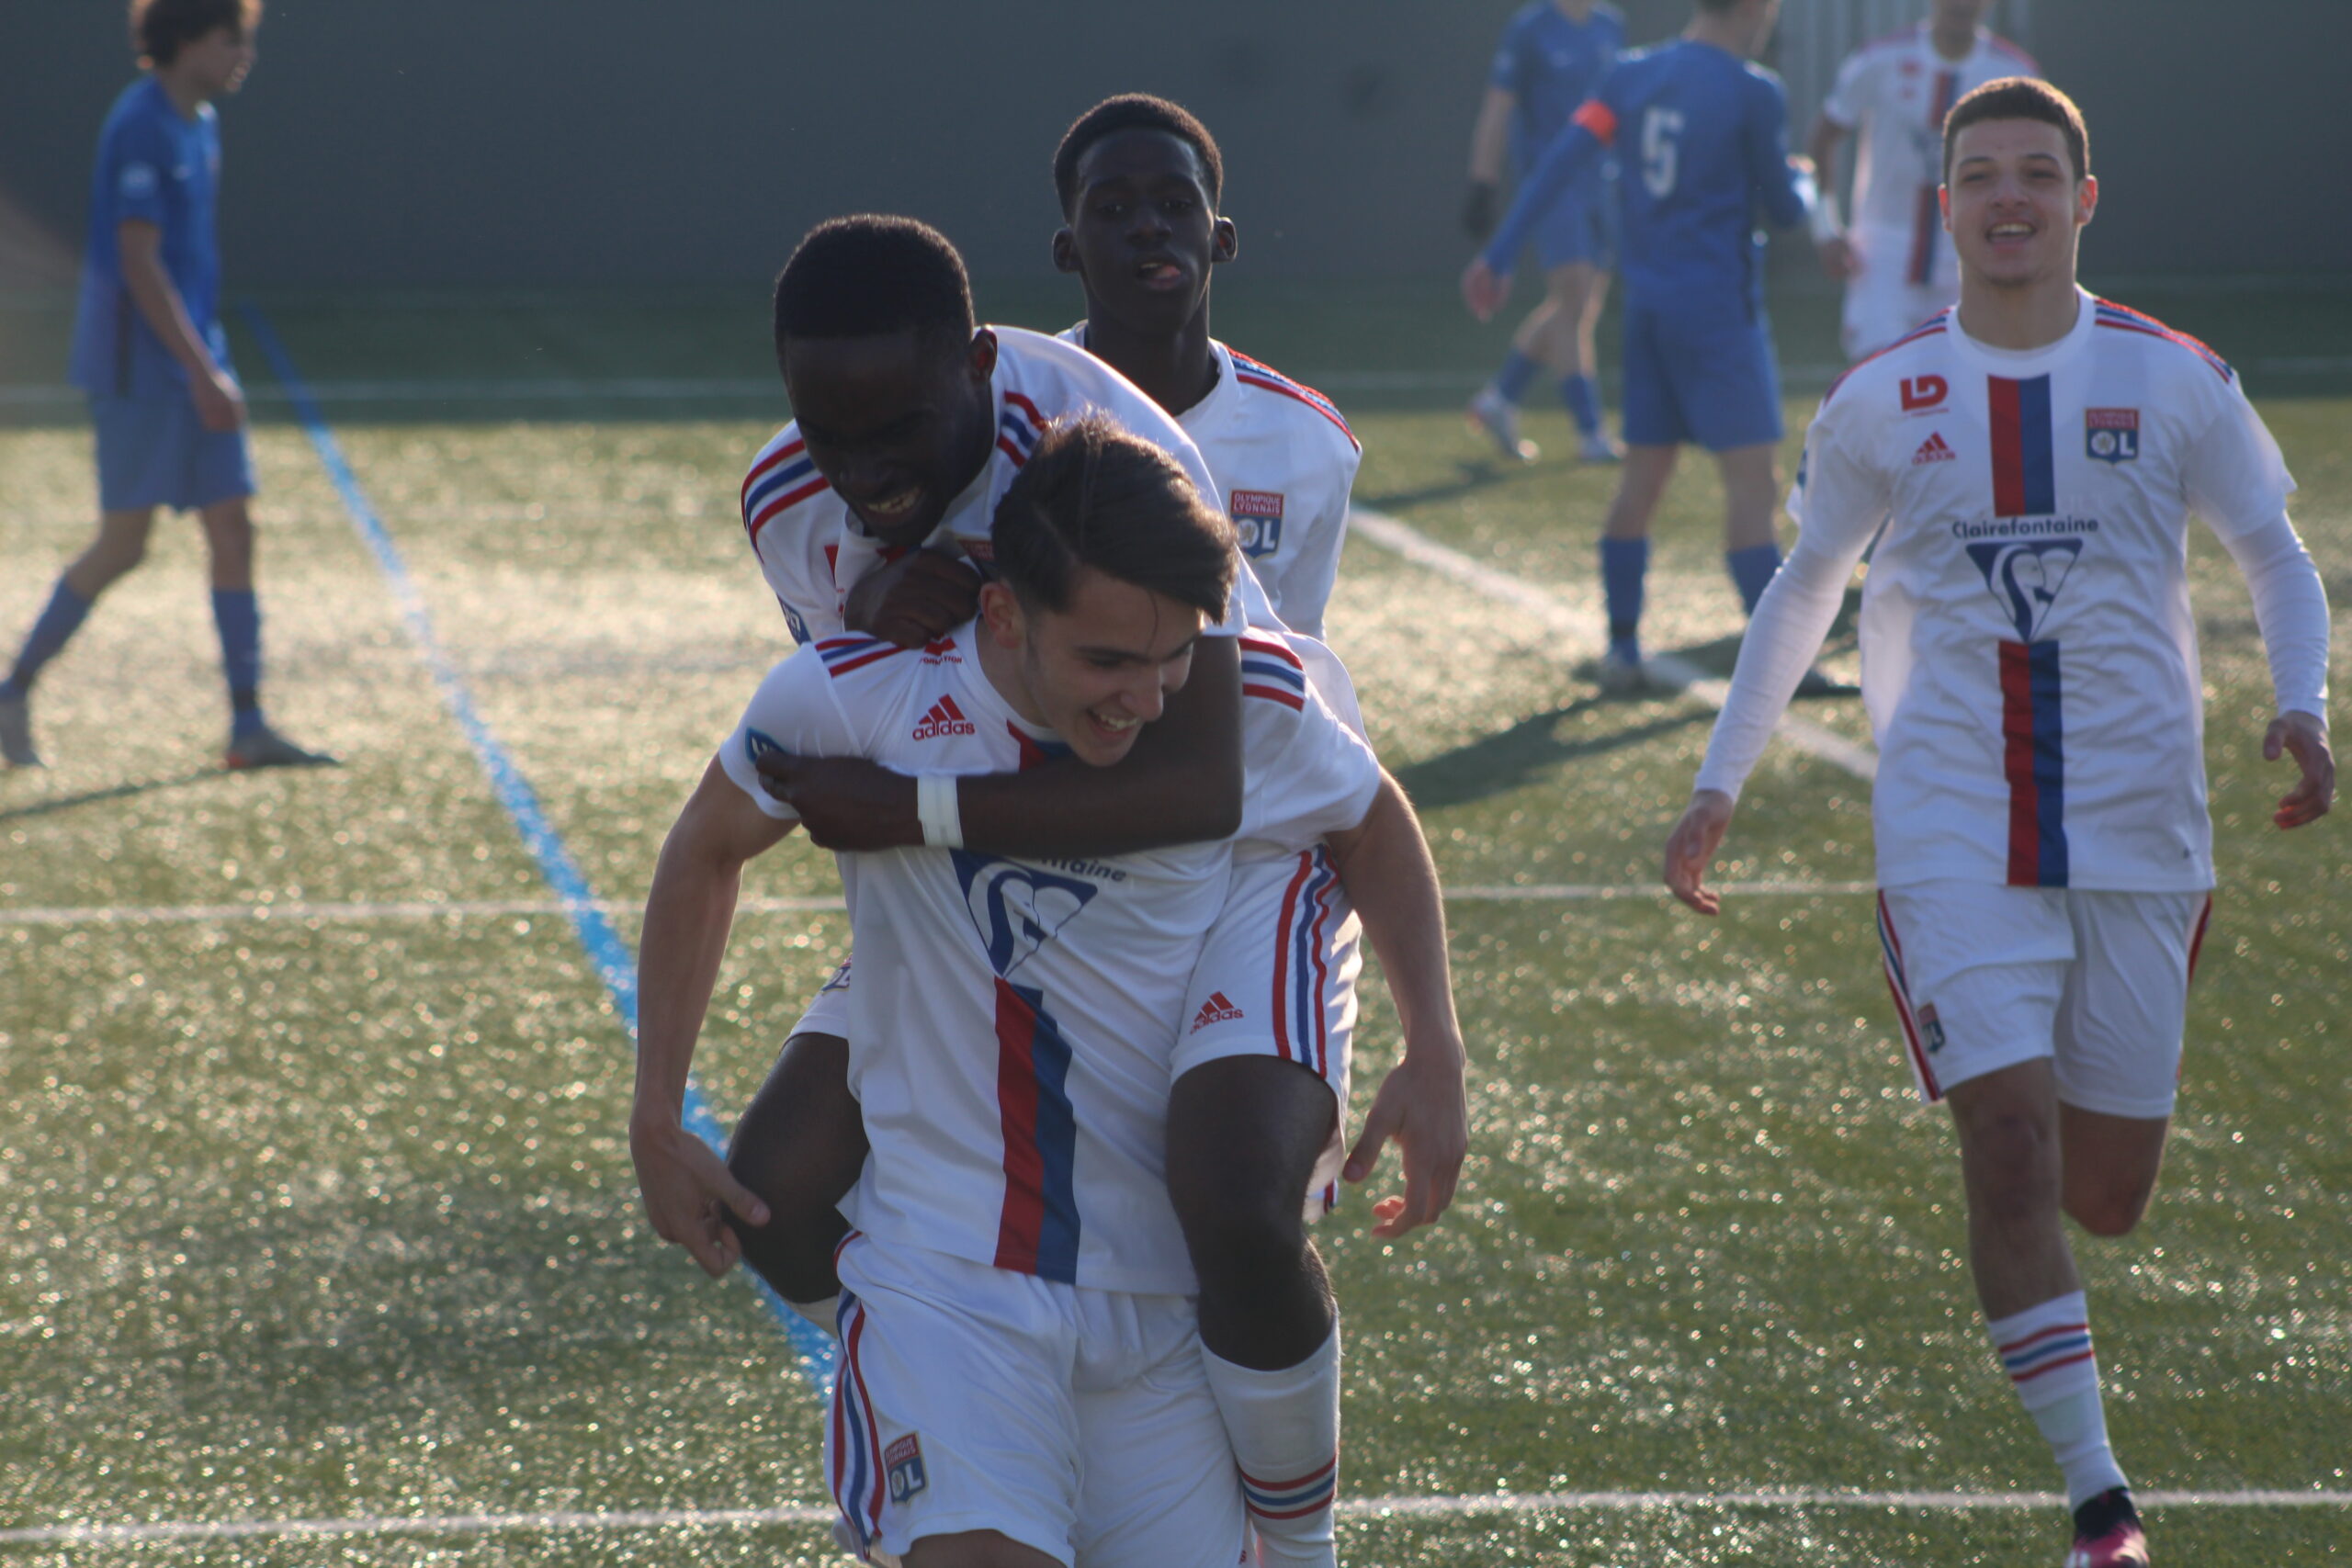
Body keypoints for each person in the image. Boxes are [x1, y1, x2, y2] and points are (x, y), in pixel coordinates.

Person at [727, 218, 1468, 1566]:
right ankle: (953, 1367)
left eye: (896, 424)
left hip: (1240, 844)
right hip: (1006, 842)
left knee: (1231, 1194)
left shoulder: (1115, 448)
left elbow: (1195, 771)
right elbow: (880, 715)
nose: (864, 471)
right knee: (774, 1186)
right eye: (831, 434)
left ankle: (1286, 1541)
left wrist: (1436, 1042)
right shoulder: (792, 499)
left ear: (976, 365)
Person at [1662, 79, 2331, 1568]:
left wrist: (2304, 705)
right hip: (1954, 828)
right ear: (1943, 205)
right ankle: (2102, 1501)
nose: (2009, 197)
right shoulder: (1881, 397)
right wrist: (1722, 779)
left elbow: (2278, 559)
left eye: (2039, 173)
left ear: (2084, 200)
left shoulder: (2171, 380)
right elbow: (1803, 588)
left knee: (2108, 1192)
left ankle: (2083, 1427)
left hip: (2143, 834)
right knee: (2012, 1146)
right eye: (1981, 176)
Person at [0, 0, 331, 772]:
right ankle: (12, 690)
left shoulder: (201, 120)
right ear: (185, 41)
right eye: (230, 40)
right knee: (122, 546)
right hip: (142, 374)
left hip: (191, 359)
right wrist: (199, 370)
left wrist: (206, 362)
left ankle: (247, 724)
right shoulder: (141, 123)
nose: (242, 55)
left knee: (233, 530)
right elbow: (138, 263)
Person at [1462, 0, 1822, 695]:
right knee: (1754, 485)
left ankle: (1622, 648)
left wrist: (1500, 254)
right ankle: (1782, 663)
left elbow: (1559, 163)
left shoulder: (1628, 76)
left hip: (1648, 314)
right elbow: (1784, 210)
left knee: (1642, 483)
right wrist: (1804, 179)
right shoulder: (1753, 90)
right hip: (1719, 315)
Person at [1050, 94, 1362, 640]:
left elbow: (1296, 651)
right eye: (1113, 209)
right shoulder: (1009, 404)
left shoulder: (1312, 439)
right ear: (1067, 250)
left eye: (1176, 204)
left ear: (1222, 239)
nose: (1148, 227)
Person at [1806, 0, 2039, 361]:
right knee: (1879, 381)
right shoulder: (1879, 58)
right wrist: (1825, 227)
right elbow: (1823, 136)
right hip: (1882, 252)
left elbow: (2039, 163)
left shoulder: (2014, 72)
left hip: (1972, 252)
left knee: (1973, 383)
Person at [1460, 0, 1626, 465]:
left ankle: (1500, 399)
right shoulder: (1530, 30)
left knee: (1581, 308)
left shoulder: (1611, 26)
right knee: (1573, 298)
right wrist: (1483, 180)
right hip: (1551, 186)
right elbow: (1498, 107)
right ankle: (1590, 431)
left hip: (1601, 184)